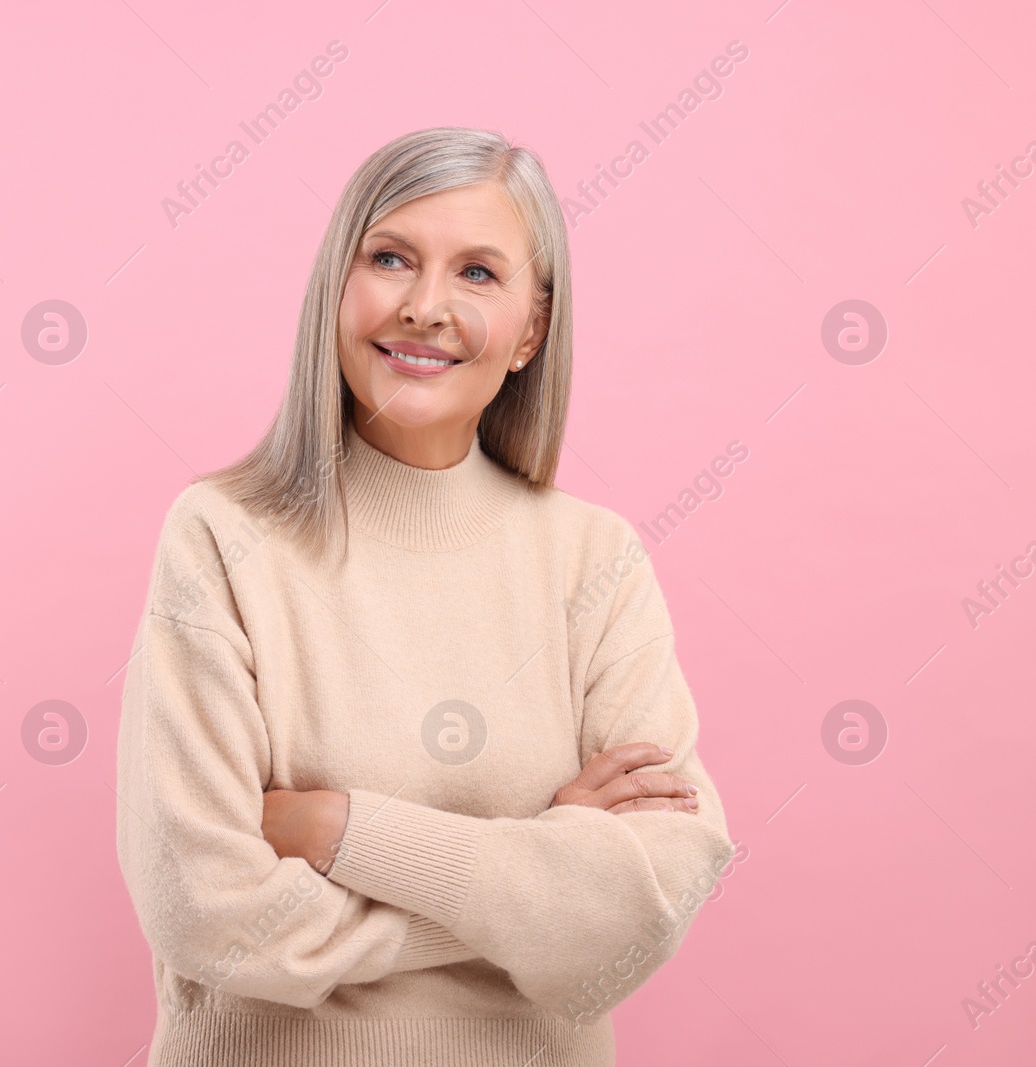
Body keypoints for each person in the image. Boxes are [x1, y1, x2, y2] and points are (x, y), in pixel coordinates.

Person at [115, 125, 734, 1066]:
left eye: (479, 273)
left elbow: (651, 896)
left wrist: (340, 830)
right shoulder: (220, 538)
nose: (425, 306)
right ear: (337, 287)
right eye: (391, 258)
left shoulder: (593, 561)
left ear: (531, 330)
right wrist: (539, 878)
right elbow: (206, 910)